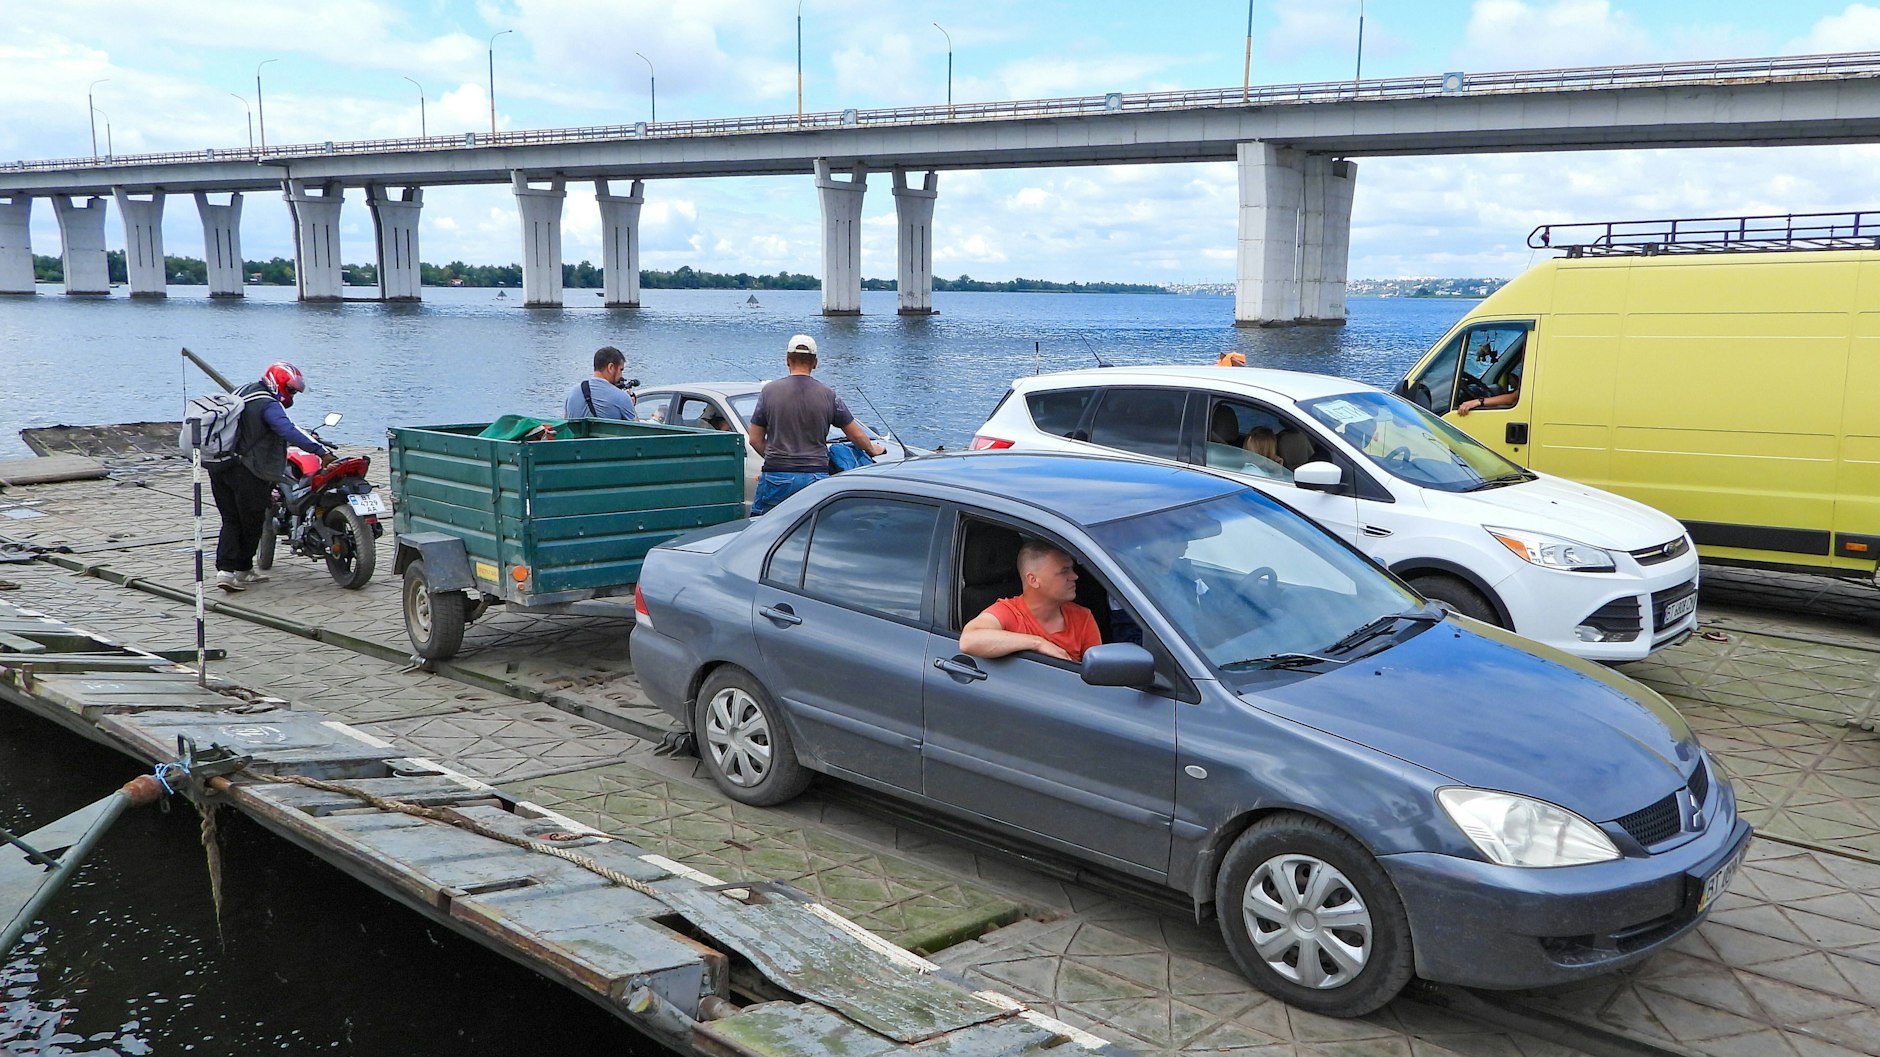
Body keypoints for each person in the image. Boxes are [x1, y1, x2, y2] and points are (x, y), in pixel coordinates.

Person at [209, 361, 332, 592]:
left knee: (231, 519)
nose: (292, 395)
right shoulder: (268, 404)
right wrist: (321, 451)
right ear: (279, 383)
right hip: (247, 471)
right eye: (291, 390)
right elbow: (287, 429)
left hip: (220, 466)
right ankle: (242, 570)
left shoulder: (243, 391)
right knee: (252, 521)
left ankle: (225, 571)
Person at [746, 334, 885, 516]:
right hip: (815, 476)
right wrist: (872, 449)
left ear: (787, 360)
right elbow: (857, 436)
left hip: (777, 476)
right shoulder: (829, 395)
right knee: (814, 528)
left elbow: (755, 440)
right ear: (815, 363)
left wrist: (776, 458)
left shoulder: (768, 392)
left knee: (764, 527)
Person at [959, 539, 1102, 662]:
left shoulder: (1082, 617)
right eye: (1064, 571)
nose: (1074, 576)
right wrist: (1038, 643)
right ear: (1033, 580)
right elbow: (968, 640)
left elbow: (1100, 672)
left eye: (1071, 569)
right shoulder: (1010, 612)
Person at [563, 346, 638, 420]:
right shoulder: (622, 397)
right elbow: (637, 427)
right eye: (621, 370)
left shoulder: (572, 393)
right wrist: (630, 405)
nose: (621, 375)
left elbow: (565, 422)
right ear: (611, 367)